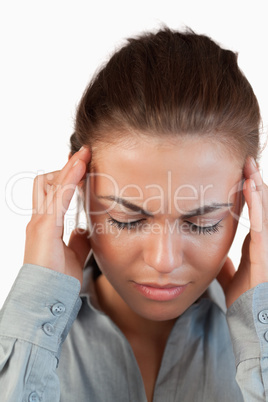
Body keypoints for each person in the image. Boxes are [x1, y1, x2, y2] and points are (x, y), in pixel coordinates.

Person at [0, 26, 267, 402]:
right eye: (127, 219)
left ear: (246, 206)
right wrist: (34, 316)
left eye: (202, 223)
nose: (163, 260)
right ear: (78, 191)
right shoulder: (25, 333)